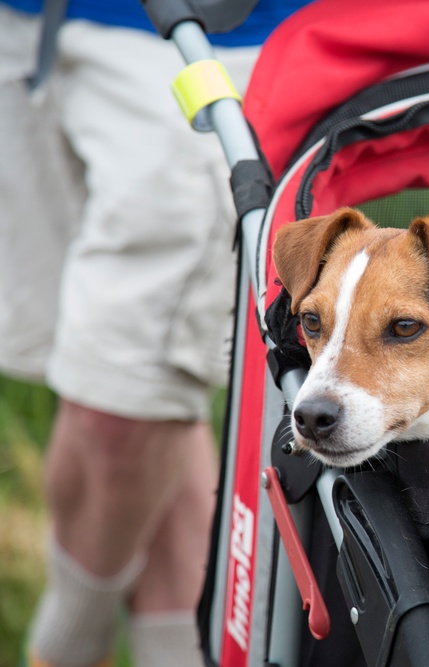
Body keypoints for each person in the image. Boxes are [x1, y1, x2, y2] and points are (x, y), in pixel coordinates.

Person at [0, 2, 306, 665]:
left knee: (124, 408)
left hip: (200, 34)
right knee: (117, 382)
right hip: (24, 31)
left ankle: (64, 645)